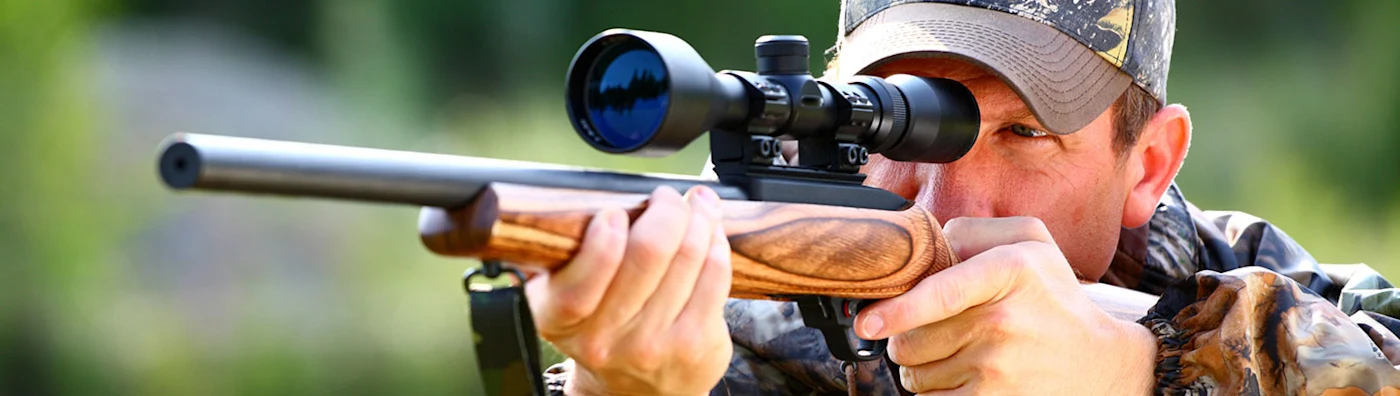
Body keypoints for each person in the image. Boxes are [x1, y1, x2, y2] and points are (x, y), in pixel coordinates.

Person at [528, 0, 1400, 394]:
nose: (947, 201)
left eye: (1023, 135)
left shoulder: (1251, 287)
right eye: (895, 126)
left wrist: (1141, 374)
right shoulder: (755, 324)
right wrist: (624, 389)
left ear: (1148, 165)